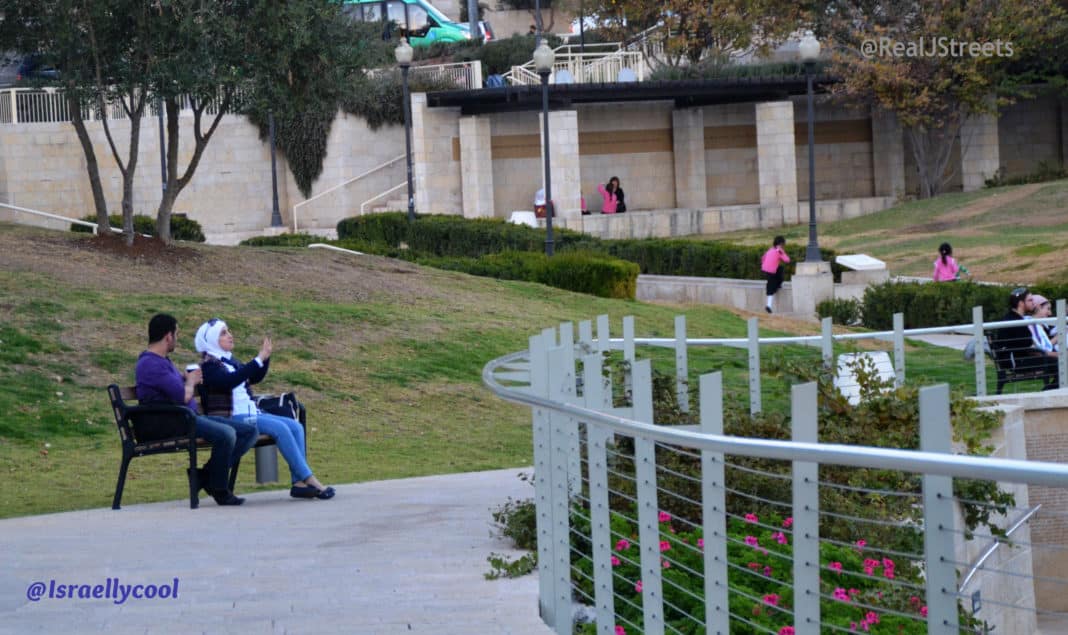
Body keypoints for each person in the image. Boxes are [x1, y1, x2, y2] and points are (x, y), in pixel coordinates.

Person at [195, 318, 336, 500]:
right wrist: (257, 359)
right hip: (233, 418)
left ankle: (298, 484)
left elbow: (252, 377)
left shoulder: (230, 362)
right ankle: (310, 479)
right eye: (223, 333)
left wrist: (265, 358)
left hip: (250, 414)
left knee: (295, 426)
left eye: (229, 331)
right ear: (212, 340)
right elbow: (229, 381)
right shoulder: (209, 366)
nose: (230, 335)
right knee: (282, 429)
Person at [135, 313, 257, 506]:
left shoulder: (162, 361)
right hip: (171, 422)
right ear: (168, 336)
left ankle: (206, 477)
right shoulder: (151, 363)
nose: (177, 338)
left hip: (185, 418)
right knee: (226, 434)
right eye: (176, 333)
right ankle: (219, 489)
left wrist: (184, 378)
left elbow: (173, 389)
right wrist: (190, 382)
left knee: (249, 432)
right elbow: (183, 397)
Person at [992, 287, 1059, 389]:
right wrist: (1056, 354)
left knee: (1059, 363)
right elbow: (1032, 350)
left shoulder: (1013, 318)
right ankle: (1047, 395)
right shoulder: (1017, 322)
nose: (1033, 303)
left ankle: (1048, 393)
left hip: (1016, 360)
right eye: (1030, 300)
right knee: (1060, 364)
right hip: (1018, 363)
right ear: (1021, 303)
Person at [761, 236, 791, 314]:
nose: (784, 245)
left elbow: (763, 258)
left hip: (765, 269)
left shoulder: (770, 249)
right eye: (783, 243)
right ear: (781, 243)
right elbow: (787, 260)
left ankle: (777, 285)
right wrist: (782, 253)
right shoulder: (779, 250)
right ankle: (768, 306)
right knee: (771, 286)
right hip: (771, 271)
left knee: (778, 270)